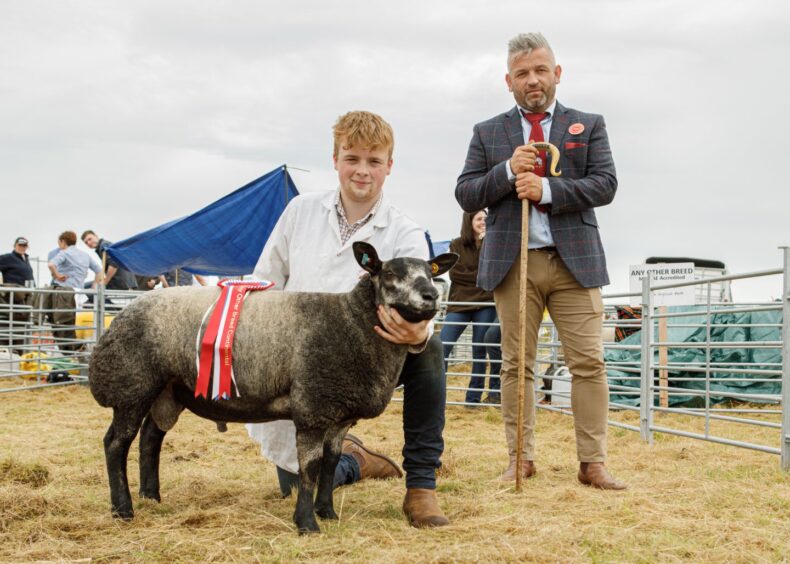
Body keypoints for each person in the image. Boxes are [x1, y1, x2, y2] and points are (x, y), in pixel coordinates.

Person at [246, 110, 450, 527]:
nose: (362, 170)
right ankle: (355, 458)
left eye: (374, 161)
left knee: (430, 347)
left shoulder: (404, 232)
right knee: (297, 482)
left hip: (363, 363)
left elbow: (425, 295)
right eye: (352, 158)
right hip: (299, 365)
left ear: (389, 167)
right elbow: (264, 282)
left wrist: (417, 330)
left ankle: (421, 487)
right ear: (335, 159)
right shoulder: (300, 211)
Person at [455, 32, 626, 489]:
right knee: (517, 364)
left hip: (575, 263)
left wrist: (547, 190)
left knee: (588, 362)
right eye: (523, 73)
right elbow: (466, 192)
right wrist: (508, 171)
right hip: (515, 265)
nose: (534, 80)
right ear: (508, 80)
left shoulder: (588, 125)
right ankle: (520, 459)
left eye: (541, 70)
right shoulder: (487, 133)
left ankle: (592, 462)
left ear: (557, 73)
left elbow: (605, 185)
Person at [439, 210, 499, 404]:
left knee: (479, 350)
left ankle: (472, 399)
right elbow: (455, 274)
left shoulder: (493, 243)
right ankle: (435, 395)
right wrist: (480, 278)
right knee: (442, 346)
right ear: (469, 221)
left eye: (486, 219)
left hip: (486, 303)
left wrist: (485, 245)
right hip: (460, 304)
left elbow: (492, 272)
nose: (483, 222)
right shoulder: (456, 244)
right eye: (479, 219)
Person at [45, 231, 102, 351]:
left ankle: (65, 350)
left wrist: (58, 275)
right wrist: (94, 286)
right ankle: (78, 347)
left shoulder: (64, 253)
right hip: (79, 294)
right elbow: (99, 270)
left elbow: (51, 264)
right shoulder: (84, 255)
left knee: (61, 323)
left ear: (62, 241)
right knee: (76, 322)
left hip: (65, 293)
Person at [0, 237, 36, 353]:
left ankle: (19, 352)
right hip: (12, 299)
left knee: (22, 325)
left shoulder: (25, 259)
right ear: (14, 245)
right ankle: (10, 352)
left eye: (24, 245)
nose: (22, 247)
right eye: (20, 245)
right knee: (11, 324)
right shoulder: (8, 258)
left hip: (25, 298)